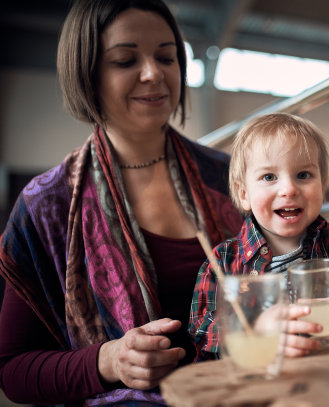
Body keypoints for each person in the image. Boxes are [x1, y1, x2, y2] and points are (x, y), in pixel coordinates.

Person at [0, 0, 242, 405]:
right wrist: (107, 360)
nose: (154, 73)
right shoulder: (48, 205)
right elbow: (12, 369)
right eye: (125, 60)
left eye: (166, 57)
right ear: (87, 75)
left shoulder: (230, 176)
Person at [189, 113, 329, 360]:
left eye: (303, 175)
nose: (289, 189)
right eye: (269, 177)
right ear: (243, 193)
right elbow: (201, 329)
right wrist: (257, 330)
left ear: (323, 183)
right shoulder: (223, 260)